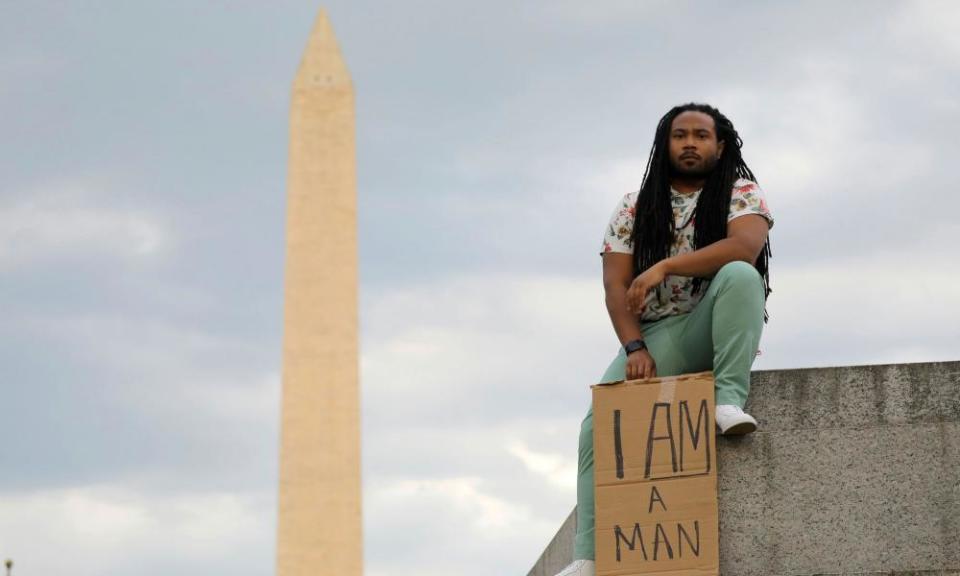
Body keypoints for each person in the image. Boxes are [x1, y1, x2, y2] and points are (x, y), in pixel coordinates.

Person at [554, 103, 774, 576]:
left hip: (712, 322)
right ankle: (589, 555)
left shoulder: (742, 192)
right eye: (680, 135)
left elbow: (744, 248)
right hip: (654, 335)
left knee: (740, 274)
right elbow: (616, 286)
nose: (690, 143)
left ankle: (727, 400)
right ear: (664, 143)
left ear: (721, 145)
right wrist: (635, 348)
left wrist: (666, 265)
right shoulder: (633, 206)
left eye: (701, 135)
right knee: (596, 425)